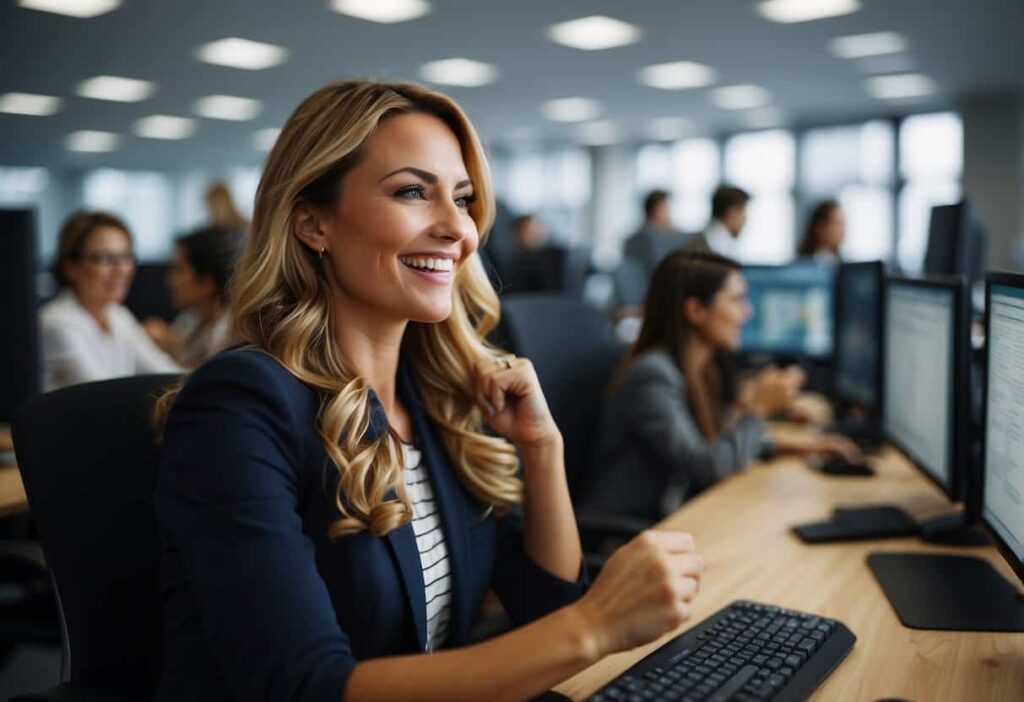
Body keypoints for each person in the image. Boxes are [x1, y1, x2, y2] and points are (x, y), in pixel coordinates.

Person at [153, 80, 705, 701]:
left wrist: (541, 450)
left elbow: (547, 609)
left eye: (464, 200)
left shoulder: (432, 398)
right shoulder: (241, 405)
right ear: (313, 223)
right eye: (413, 192)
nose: (458, 230)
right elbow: (305, 687)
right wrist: (597, 624)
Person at [581, 251, 860, 523]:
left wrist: (798, 447)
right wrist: (758, 410)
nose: (747, 311)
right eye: (737, 300)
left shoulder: (703, 369)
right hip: (628, 536)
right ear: (696, 310)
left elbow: (712, 445)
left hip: (674, 520)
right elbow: (709, 466)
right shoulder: (653, 375)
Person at [39, 211, 181, 391]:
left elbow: (168, 374)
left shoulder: (118, 315)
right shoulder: (57, 323)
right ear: (71, 267)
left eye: (126, 256)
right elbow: (102, 395)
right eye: (104, 258)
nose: (121, 269)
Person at [143, 226, 244, 368]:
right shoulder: (191, 319)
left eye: (179, 270)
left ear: (206, 284)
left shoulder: (229, 337)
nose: (170, 280)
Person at [622, 189, 685, 282]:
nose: (669, 214)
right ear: (656, 211)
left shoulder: (633, 238)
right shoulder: (651, 239)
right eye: (666, 209)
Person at [688, 185, 750, 259]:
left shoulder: (705, 241)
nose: (745, 221)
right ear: (731, 214)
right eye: (743, 213)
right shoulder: (718, 247)